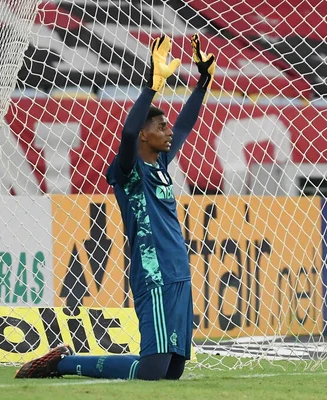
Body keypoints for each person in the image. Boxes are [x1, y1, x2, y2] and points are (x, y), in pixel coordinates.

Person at [15, 34, 215, 381]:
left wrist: (203, 82)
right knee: (151, 372)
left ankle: (66, 360)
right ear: (143, 134)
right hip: (153, 274)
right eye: (160, 126)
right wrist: (151, 87)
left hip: (179, 273)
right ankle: (62, 362)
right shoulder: (129, 170)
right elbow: (125, 134)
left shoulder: (161, 164)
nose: (169, 130)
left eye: (166, 125)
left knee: (172, 372)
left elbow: (185, 125)